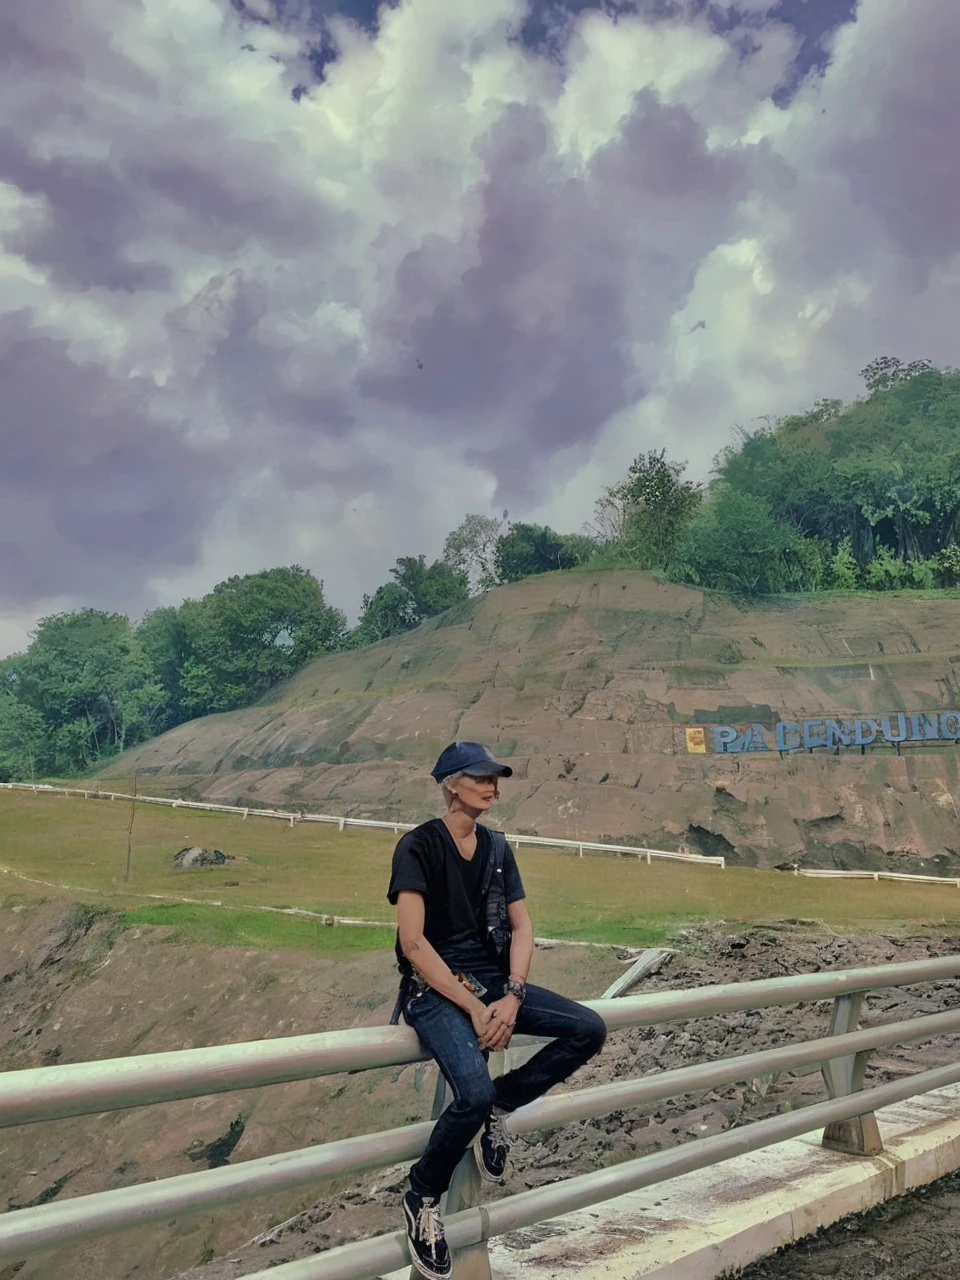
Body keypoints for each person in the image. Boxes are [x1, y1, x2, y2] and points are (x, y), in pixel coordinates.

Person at [387, 741, 607, 1280]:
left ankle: (500, 1108)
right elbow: (414, 944)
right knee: (473, 1090)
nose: (491, 786)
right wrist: (474, 1007)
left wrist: (510, 995)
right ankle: (422, 1196)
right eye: (479, 777)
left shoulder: (497, 848)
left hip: (491, 982)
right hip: (433, 989)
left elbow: (523, 926)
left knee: (588, 1029)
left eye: (494, 778)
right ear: (450, 785)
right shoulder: (417, 847)